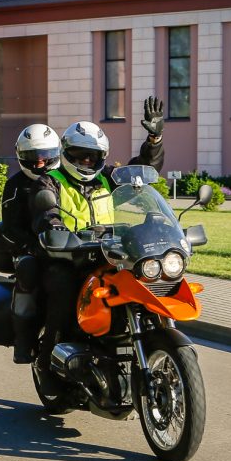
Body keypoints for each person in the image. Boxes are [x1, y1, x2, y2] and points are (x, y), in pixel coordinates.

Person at [30, 96, 166, 383]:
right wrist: (58, 232)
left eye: (93, 156)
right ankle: (46, 362)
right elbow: (47, 213)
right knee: (62, 291)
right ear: (67, 153)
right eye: (81, 155)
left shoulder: (107, 177)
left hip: (109, 254)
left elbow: (140, 173)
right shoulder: (50, 181)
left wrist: (154, 139)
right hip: (67, 256)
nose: (87, 161)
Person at [0, 124, 62, 363]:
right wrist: (32, 246)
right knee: (28, 269)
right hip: (31, 249)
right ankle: (23, 340)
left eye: (44, 157)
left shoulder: (63, 178)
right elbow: (10, 228)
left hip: (66, 245)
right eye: (31, 158)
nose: (38, 164)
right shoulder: (15, 185)